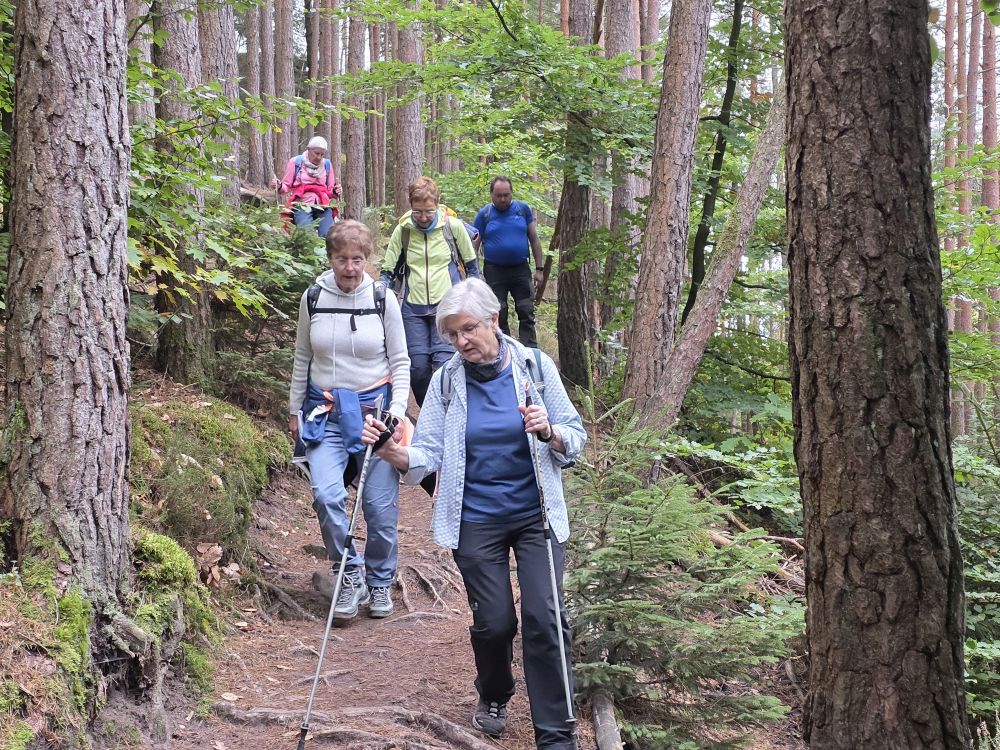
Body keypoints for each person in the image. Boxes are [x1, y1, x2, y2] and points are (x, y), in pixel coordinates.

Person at [361, 278, 585, 750]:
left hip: (537, 516)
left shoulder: (534, 367)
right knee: (495, 623)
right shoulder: (447, 381)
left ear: (494, 320)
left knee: (546, 619)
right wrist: (390, 451)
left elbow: (575, 436)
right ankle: (496, 692)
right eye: (452, 334)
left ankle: (556, 737)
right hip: (475, 518)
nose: (461, 342)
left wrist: (550, 432)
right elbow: (426, 454)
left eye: (468, 329)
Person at [288, 220, 409, 620]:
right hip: (325, 414)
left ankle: (380, 580)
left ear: (367, 259)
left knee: (378, 507)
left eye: (358, 259)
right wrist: (294, 410)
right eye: (342, 259)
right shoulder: (313, 298)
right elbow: (302, 357)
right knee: (326, 496)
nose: (350, 268)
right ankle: (348, 572)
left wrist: (396, 412)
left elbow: (400, 361)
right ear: (330, 258)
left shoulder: (382, 298)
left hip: (375, 415)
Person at [380, 176, 481, 405]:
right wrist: (379, 296)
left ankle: (448, 411)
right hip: (412, 309)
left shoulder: (452, 227)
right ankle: (430, 411)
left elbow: (472, 268)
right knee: (417, 369)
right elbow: (388, 271)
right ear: (410, 206)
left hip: (447, 309)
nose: (424, 217)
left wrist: (474, 302)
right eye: (418, 212)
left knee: (444, 366)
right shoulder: (403, 231)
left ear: (437, 203)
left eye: (428, 211)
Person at [472, 176, 544, 347]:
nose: (503, 199)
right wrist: (475, 272)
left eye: (506, 195)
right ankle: (505, 350)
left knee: (526, 310)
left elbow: (534, 239)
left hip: (520, 269)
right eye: (499, 195)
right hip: (494, 271)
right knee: (499, 312)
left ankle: (530, 351)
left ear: (511, 193)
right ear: (491, 195)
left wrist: (539, 269)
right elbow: (474, 245)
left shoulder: (523, 210)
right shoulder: (484, 214)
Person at [274, 136, 342, 238]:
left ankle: (325, 249)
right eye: (316, 153)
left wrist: (336, 191)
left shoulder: (327, 164)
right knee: (306, 236)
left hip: (323, 205)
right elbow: (285, 187)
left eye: (322, 154)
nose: (319, 157)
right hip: (301, 204)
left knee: (328, 236)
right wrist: (279, 186)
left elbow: (330, 191)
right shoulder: (296, 162)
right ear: (308, 149)